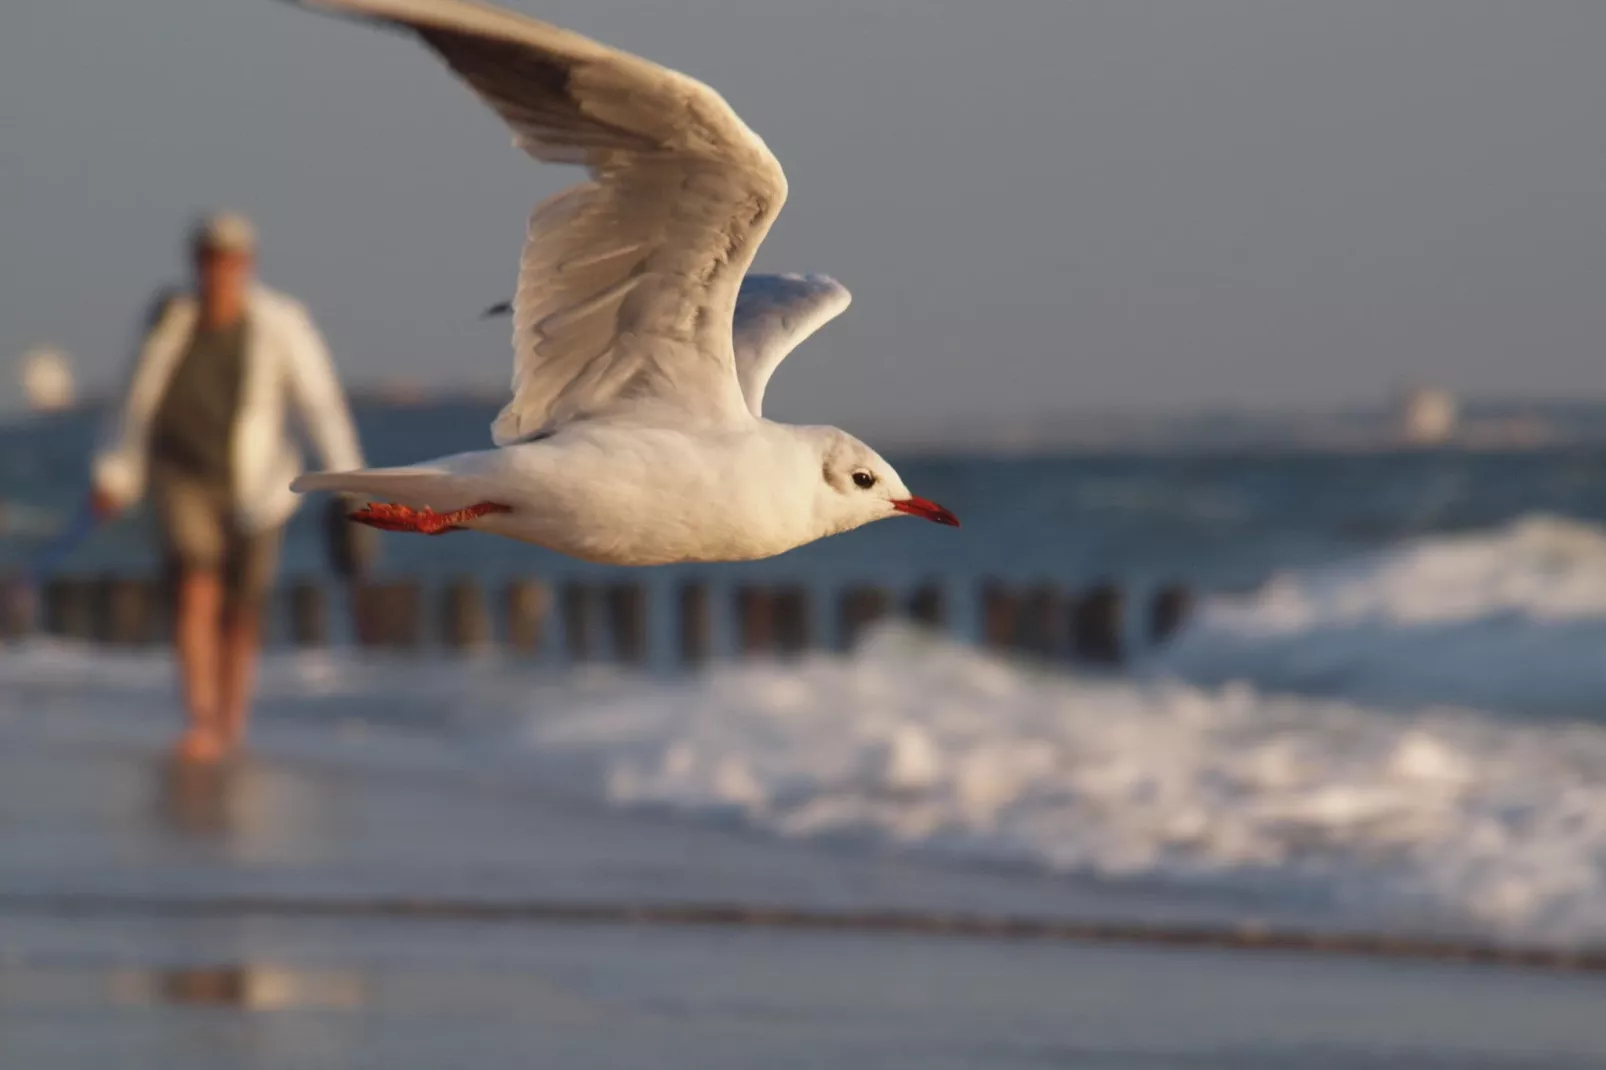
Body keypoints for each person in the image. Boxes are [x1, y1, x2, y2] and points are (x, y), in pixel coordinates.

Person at [91, 211, 366, 762]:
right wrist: (114, 473)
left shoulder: (280, 322)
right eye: (209, 260)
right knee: (195, 585)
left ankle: (230, 719)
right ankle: (201, 718)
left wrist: (348, 483)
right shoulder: (170, 318)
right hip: (181, 475)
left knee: (243, 607)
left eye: (229, 261)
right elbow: (132, 399)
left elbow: (319, 405)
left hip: (259, 485)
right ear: (196, 264)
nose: (218, 271)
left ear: (246, 265)